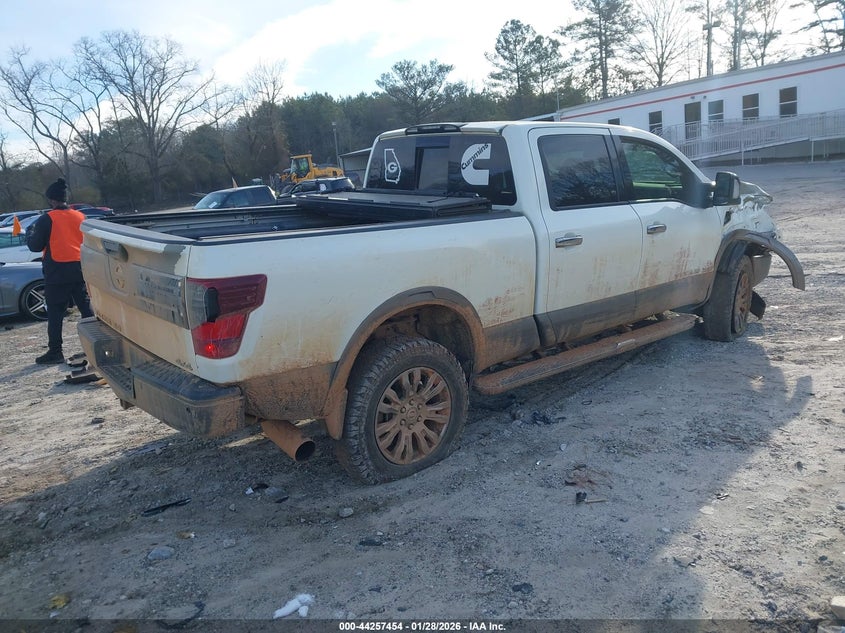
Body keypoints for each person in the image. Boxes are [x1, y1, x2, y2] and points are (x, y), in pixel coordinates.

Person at [26, 177, 94, 364]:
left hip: (57, 271)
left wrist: (28, 236)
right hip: (79, 268)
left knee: (56, 313)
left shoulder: (46, 219)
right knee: (87, 310)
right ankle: (99, 345)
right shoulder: (81, 216)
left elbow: (35, 246)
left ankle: (55, 351)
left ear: (51, 200)